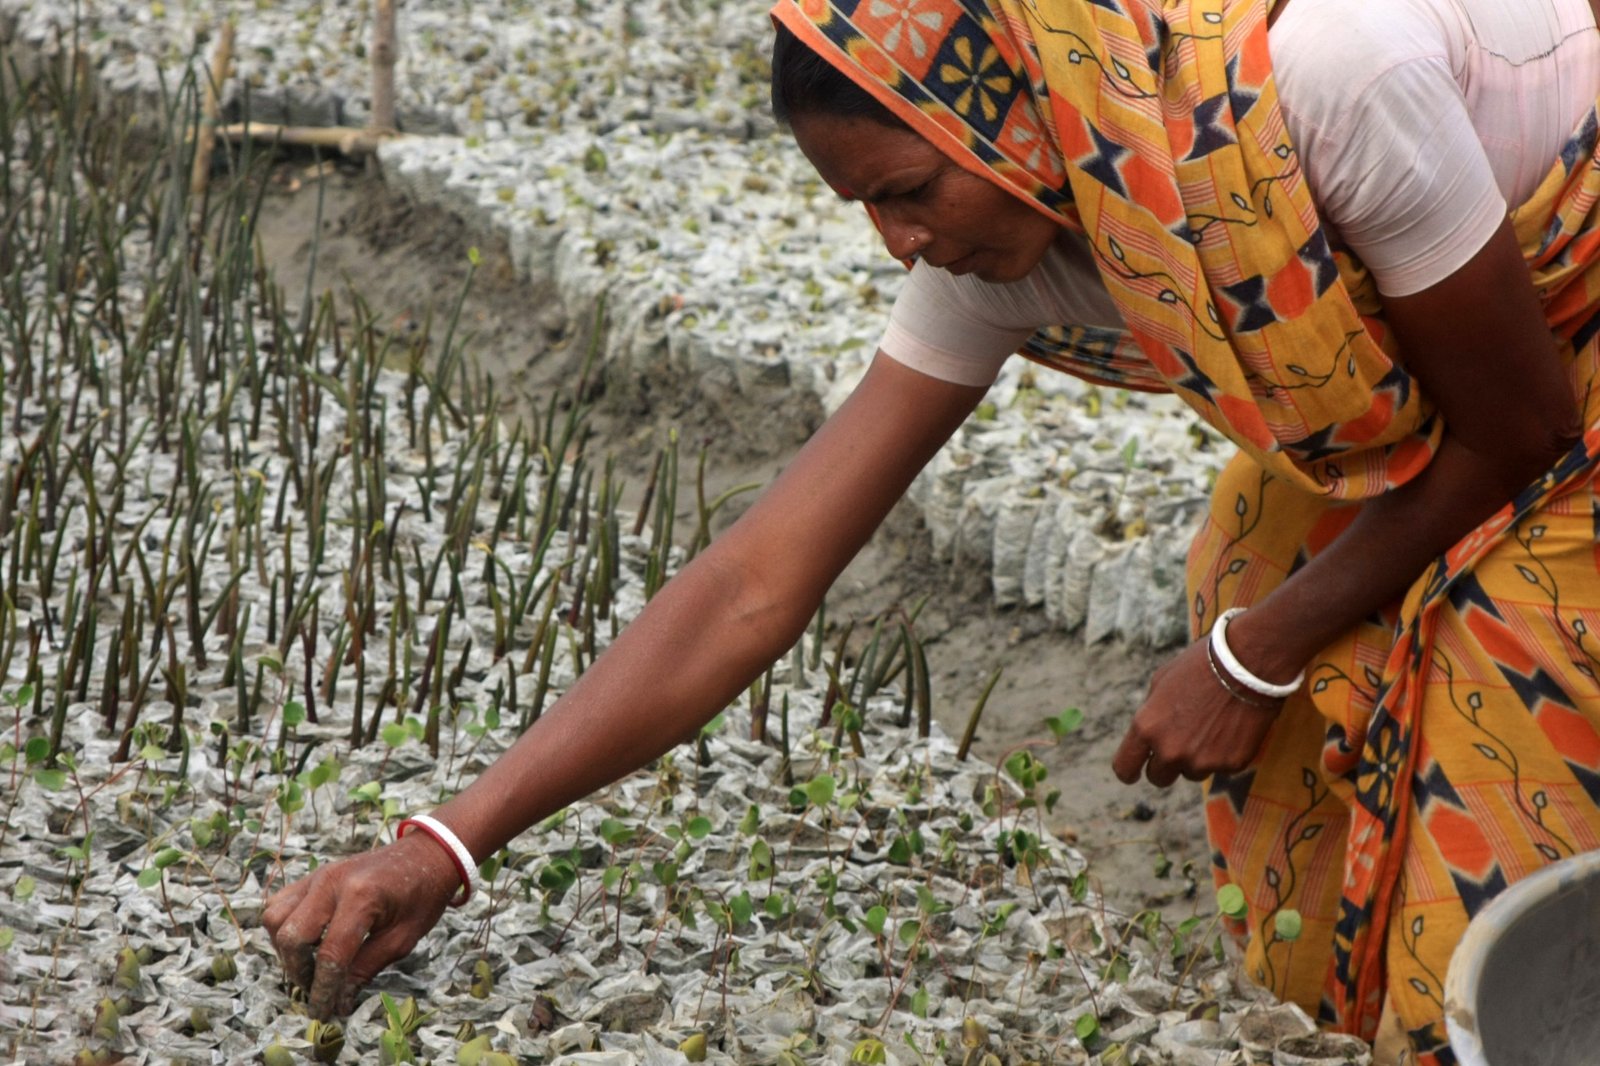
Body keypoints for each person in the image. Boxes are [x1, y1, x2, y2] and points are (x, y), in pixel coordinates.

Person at [266, 0, 1600, 1060]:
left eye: (907, 191)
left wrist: (1253, 653)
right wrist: (446, 840)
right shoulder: (1034, 224)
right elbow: (756, 577)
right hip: (1435, 407)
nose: (899, 243)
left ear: (1020, 104)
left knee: (1492, 769)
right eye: (865, 207)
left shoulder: (1325, 79)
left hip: (1559, 382)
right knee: (1280, 635)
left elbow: (1520, 428)